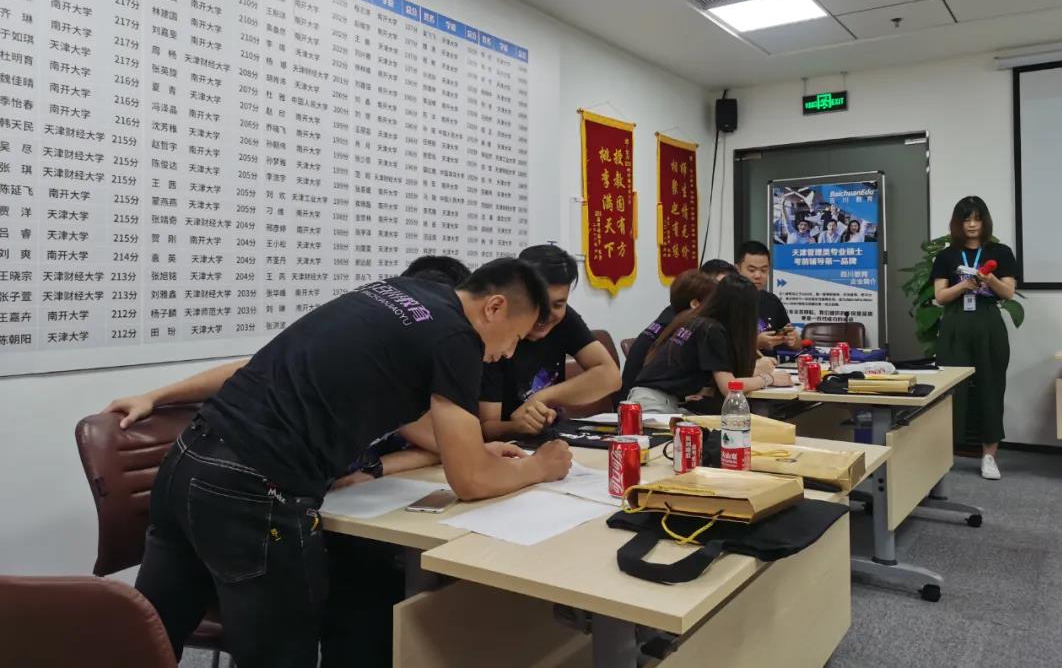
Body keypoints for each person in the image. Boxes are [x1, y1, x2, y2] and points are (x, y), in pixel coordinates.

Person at [103, 259, 572, 667]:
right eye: (514, 337)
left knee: (149, 640)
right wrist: (540, 467)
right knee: (282, 655)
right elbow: (468, 482)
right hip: (257, 489)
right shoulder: (457, 338)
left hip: (188, 459)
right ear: (493, 307)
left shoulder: (400, 293)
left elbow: (431, 432)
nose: (508, 353)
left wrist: (475, 450)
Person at [478, 244, 621, 440]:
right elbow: (485, 428)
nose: (546, 314)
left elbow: (610, 376)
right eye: (539, 302)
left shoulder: (565, 319)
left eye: (558, 304)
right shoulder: (496, 335)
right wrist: (516, 426)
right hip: (507, 447)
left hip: (552, 439)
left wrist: (542, 397)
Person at [931, 196, 1016, 480]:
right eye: (966, 219)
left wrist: (989, 279)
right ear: (957, 223)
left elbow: (1008, 292)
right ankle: (943, 453)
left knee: (992, 386)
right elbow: (940, 296)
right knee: (950, 388)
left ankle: (989, 456)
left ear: (984, 221)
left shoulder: (1000, 252)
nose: (971, 225)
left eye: (977, 218)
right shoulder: (946, 256)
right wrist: (965, 285)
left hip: (988, 321)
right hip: (956, 322)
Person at [626, 273, 792, 414]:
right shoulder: (711, 329)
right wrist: (768, 379)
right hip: (653, 405)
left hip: (664, 401)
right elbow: (729, 387)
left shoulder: (698, 320)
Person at [618, 269, 720, 404]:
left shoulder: (669, 317)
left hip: (638, 398)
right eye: (713, 302)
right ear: (695, 304)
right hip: (640, 403)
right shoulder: (686, 327)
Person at [736, 241, 800, 352]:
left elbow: (797, 345)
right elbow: (720, 348)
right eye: (752, 270)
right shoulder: (726, 301)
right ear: (737, 269)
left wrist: (793, 339)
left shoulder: (772, 301)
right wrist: (756, 343)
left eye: (764, 270)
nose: (758, 275)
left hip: (772, 362)